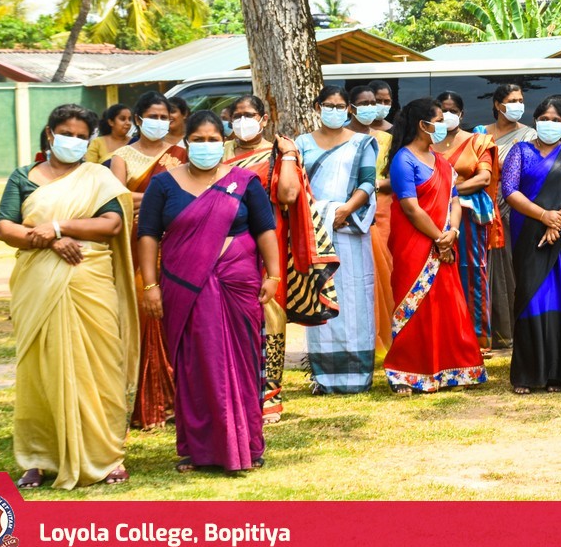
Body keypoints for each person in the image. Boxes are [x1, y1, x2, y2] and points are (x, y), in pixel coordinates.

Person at [0, 104, 136, 490]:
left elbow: (111, 223)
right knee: (39, 370)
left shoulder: (98, 177)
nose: (72, 141)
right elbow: (5, 227)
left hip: (89, 282)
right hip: (37, 284)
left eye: (80, 136)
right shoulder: (23, 177)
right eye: (66, 133)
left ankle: (106, 457)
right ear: (49, 133)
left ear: (89, 140)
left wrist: (59, 227)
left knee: (100, 367)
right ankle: (38, 458)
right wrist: (49, 241)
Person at [137, 110, 278, 474]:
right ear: (186, 143)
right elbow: (148, 234)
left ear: (223, 141)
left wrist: (274, 275)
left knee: (244, 361)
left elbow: (265, 229)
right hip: (184, 285)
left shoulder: (244, 181)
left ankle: (248, 444)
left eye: (212, 140)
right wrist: (150, 285)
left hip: (238, 283)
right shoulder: (163, 184)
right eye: (198, 140)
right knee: (194, 363)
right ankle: (198, 449)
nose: (205, 146)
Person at [223, 95, 325, 422]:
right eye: (237, 115)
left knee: (270, 316)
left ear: (264, 119)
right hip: (224, 244)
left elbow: (289, 195)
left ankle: (269, 395)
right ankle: (232, 392)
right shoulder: (219, 152)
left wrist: (291, 155)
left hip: (269, 243)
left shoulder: (278, 153)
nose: (243, 121)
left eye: (250, 115)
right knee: (227, 317)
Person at [384, 98, 488, 392]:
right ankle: (407, 372)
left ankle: (453, 368)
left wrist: (452, 231)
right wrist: (439, 237)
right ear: (423, 125)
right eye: (439, 120)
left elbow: (454, 200)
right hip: (415, 243)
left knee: (447, 304)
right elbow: (410, 207)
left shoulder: (441, 161)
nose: (444, 125)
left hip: (444, 240)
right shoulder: (403, 160)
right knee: (416, 305)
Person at [502, 97, 561, 393]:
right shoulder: (520, 151)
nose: (550, 124)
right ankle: (527, 374)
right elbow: (509, 190)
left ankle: (558, 374)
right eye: (545, 118)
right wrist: (544, 216)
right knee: (532, 298)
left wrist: (557, 221)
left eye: (556, 120)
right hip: (529, 235)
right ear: (535, 120)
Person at [109, 91, 187, 430]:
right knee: (144, 313)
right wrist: (161, 199)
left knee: (177, 314)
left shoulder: (181, 154)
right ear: (139, 119)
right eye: (152, 116)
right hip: (137, 243)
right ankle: (150, 402)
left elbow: (190, 195)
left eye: (164, 117)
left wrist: (146, 200)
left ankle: (179, 401)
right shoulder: (121, 157)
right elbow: (116, 198)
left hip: (177, 242)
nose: (159, 122)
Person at [295, 87, 379, 394]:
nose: (334, 110)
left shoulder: (361, 142)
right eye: (328, 105)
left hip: (350, 230)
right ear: (317, 107)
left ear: (348, 109)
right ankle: (325, 377)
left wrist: (345, 210)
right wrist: (319, 216)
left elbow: (368, 183)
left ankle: (358, 376)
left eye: (340, 106)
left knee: (356, 299)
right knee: (322, 295)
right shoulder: (302, 143)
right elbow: (298, 184)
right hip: (316, 231)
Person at [433, 90, 500, 350]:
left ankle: (477, 337)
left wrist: (447, 192)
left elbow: (484, 178)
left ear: (461, 114)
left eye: (452, 110)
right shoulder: (427, 143)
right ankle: (443, 336)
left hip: (469, 218)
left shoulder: (477, 142)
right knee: (437, 273)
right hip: (433, 216)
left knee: (471, 271)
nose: (447, 115)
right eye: (442, 110)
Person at [475, 83, 537, 350]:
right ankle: (486, 329)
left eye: (520, 100)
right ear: (498, 105)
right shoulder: (480, 133)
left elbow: (528, 170)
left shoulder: (529, 134)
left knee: (512, 267)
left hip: (514, 209)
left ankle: (511, 329)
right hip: (483, 208)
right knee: (483, 267)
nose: (518, 105)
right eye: (512, 100)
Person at [348, 84, 396, 354]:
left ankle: (383, 332)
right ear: (351, 107)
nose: (372, 108)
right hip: (345, 213)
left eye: (374, 103)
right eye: (365, 103)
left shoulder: (386, 139)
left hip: (381, 211)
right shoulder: (340, 136)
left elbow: (396, 178)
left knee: (382, 271)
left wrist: (371, 185)